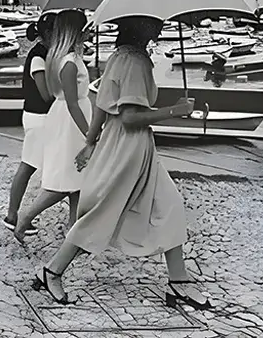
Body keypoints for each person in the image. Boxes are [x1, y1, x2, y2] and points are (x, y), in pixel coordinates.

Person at [32, 16, 209, 310]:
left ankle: (179, 281)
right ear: (140, 27)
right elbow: (129, 117)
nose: (159, 26)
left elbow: (102, 104)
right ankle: (52, 270)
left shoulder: (119, 57)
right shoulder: (135, 61)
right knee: (103, 213)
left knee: (169, 206)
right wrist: (175, 110)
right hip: (130, 146)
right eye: (154, 23)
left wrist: (91, 142)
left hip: (125, 145)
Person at [14, 10, 91, 242]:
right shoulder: (68, 63)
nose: (88, 32)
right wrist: (90, 134)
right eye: (84, 29)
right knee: (64, 181)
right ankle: (25, 217)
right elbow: (72, 104)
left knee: (77, 178)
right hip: (70, 122)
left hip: (68, 119)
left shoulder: (67, 59)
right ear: (74, 32)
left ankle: (73, 227)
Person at [4, 17, 53, 234]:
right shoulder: (38, 57)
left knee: (29, 165)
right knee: (28, 165)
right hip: (38, 117)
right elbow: (44, 94)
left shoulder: (42, 54)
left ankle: (14, 213)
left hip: (36, 116)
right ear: (50, 33)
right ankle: (13, 215)